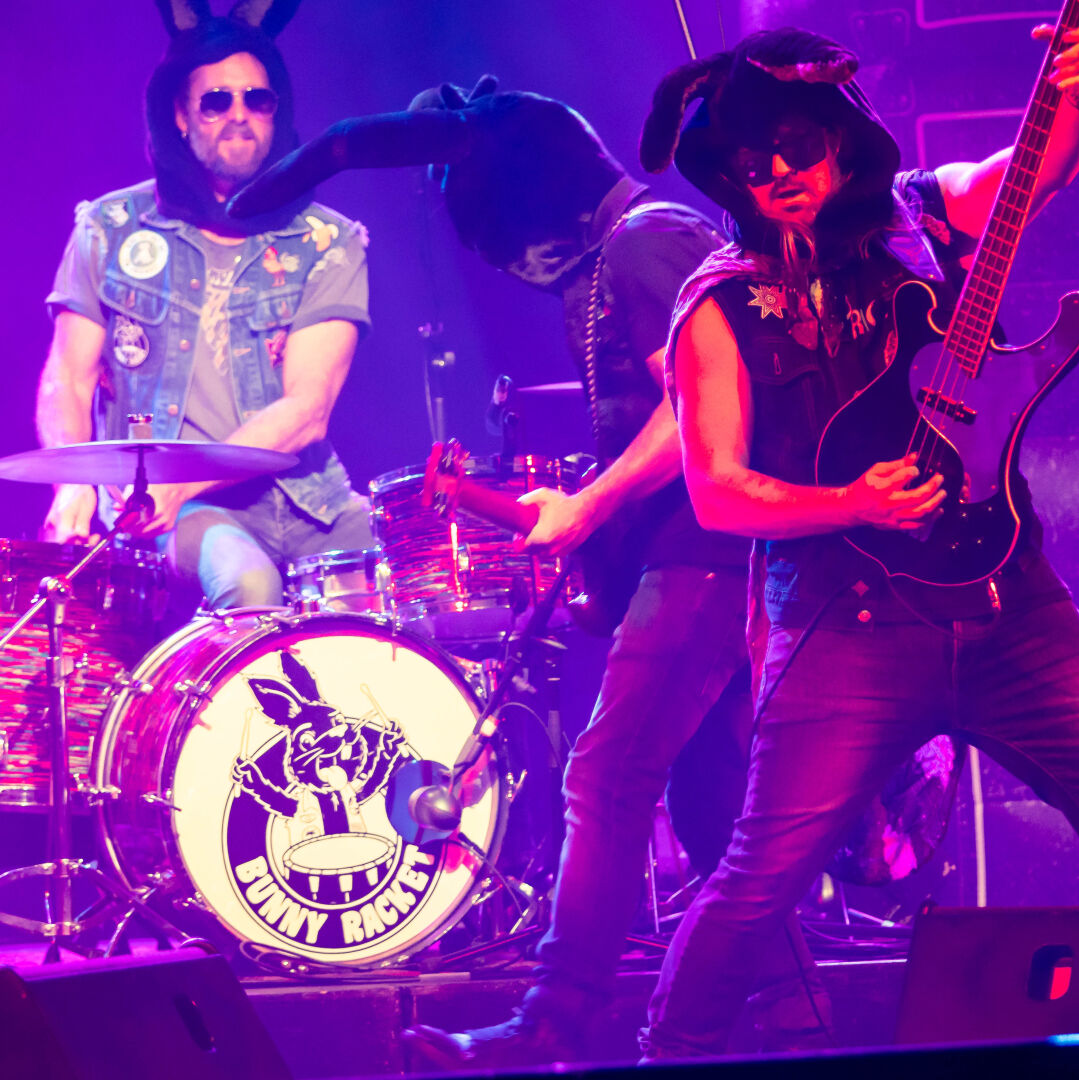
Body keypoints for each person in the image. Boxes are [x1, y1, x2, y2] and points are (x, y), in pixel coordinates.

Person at [226, 77, 827, 1066]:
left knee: (608, 773)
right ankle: (797, 1015)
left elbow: (707, 408)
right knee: (714, 793)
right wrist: (591, 508)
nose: (507, 269)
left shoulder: (642, 246)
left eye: (503, 248)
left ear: (528, 211)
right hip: (700, 551)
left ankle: (556, 1015)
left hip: (710, 557)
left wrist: (592, 505)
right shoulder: (633, 247)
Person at [634, 22, 1079, 1058]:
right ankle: (666, 1057)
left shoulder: (922, 214)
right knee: (756, 888)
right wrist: (851, 502)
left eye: (797, 146)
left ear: (841, 136)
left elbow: (1031, 175)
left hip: (1008, 603)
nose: (779, 173)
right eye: (752, 164)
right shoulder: (717, 301)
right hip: (847, 631)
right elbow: (718, 493)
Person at [38, 0, 372, 612]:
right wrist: (73, 483)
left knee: (414, 589)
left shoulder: (326, 240)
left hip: (309, 503)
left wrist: (184, 478)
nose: (239, 114)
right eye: (216, 101)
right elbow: (67, 378)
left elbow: (307, 408)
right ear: (180, 116)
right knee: (249, 585)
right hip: (180, 512)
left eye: (258, 99)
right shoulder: (109, 229)